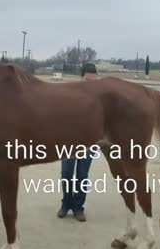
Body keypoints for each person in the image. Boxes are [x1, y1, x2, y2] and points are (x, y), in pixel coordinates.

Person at [57, 62, 99, 222]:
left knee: (82, 176)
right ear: (81, 78)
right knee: (66, 174)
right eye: (87, 81)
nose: (90, 85)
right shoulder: (69, 94)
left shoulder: (99, 99)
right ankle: (66, 203)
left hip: (89, 143)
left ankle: (78, 207)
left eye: (93, 81)